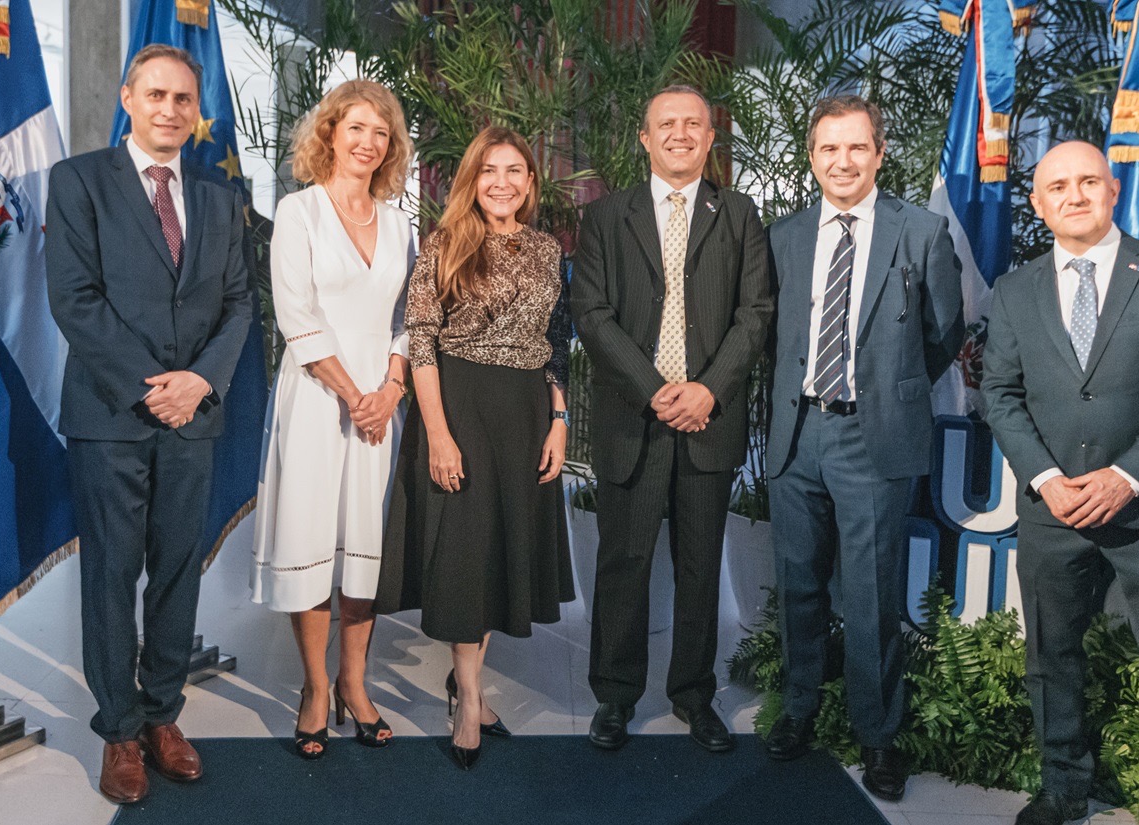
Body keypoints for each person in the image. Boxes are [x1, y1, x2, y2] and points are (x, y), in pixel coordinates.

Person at [982, 141, 1139, 825]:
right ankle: (1062, 786)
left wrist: (1127, 476)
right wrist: (1045, 478)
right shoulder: (1014, 290)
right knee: (1050, 655)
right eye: (1057, 186)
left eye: (1088, 181)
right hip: (1052, 509)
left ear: (1112, 190)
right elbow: (999, 394)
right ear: (1038, 203)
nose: (1074, 195)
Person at [44, 44, 252, 803]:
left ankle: (163, 714)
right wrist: (152, 387)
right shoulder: (78, 181)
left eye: (183, 99)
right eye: (156, 95)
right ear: (128, 98)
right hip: (111, 416)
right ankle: (120, 730)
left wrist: (198, 382)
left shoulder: (221, 200)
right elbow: (74, 298)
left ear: (196, 112)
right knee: (110, 573)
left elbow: (239, 304)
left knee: (175, 570)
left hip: (193, 415)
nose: (169, 109)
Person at [762, 95, 963, 802]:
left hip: (872, 435)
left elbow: (943, 333)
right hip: (796, 433)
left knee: (871, 593)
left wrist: (885, 392)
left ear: (879, 153)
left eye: (856, 147)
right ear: (811, 157)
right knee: (798, 583)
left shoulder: (921, 231)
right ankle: (799, 706)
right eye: (828, 148)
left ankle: (877, 733)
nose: (841, 161)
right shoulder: (783, 236)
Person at [572, 85, 773, 753]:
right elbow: (592, 313)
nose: (680, 134)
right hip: (633, 417)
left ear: (711, 138)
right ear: (645, 138)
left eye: (694, 124)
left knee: (700, 564)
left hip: (708, 419)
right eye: (667, 124)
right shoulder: (606, 216)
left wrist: (708, 390)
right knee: (623, 562)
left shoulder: (738, 214)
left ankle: (693, 694)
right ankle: (614, 695)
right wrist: (655, 389)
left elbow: (755, 313)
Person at [374, 125, 574, 770]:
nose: (502, 183)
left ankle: (468, 685)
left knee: (497, 555)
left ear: (531, 182)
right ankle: (467, 700)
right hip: (458, 406)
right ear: (471, 180)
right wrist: (438, 434)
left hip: (525, 414)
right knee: (465, 557)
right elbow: (422, 342)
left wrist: (560, 420)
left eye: (515, 171)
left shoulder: (547, 250)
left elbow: (558, 342)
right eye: (489, 171)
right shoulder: (443, 244)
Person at [249, 80, 415, 759]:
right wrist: (354, 395)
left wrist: (392, 388)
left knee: (365, 547)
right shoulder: (299, 212)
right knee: (313, 540)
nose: (367, 142)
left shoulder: (401, 223)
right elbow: (296, 314)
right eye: (356, 128)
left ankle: (355, 682)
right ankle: (315, 688)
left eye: (380, 131)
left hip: (382, 403)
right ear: (329, 134)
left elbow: (411, 317)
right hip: (319, 399)